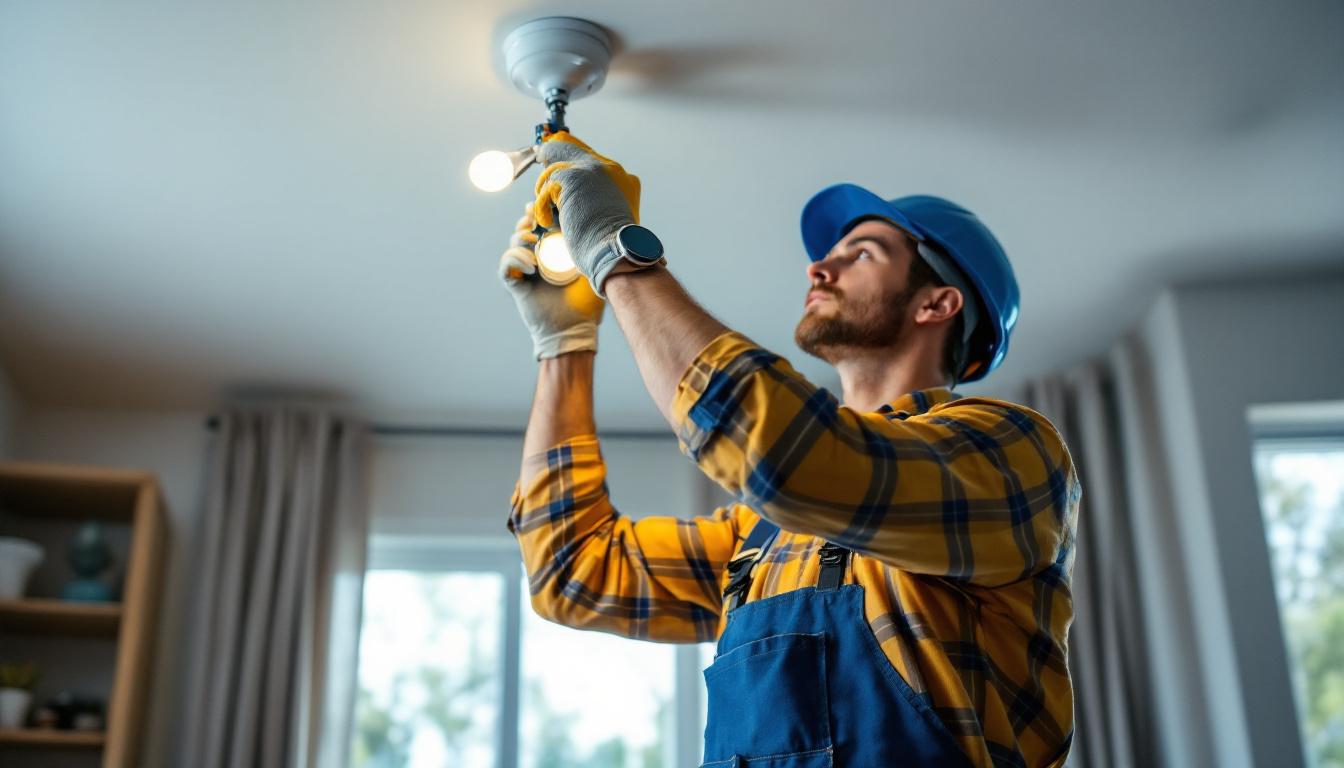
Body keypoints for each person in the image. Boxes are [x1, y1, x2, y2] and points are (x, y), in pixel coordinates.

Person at [500, 131, 1080, 767]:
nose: (818, 266)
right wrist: (565, 344)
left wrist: (615, 249)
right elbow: (574, 573)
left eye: (861, 253)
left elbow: (790, 458)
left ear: (937, 302)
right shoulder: (762, 535)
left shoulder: (1009, 451)